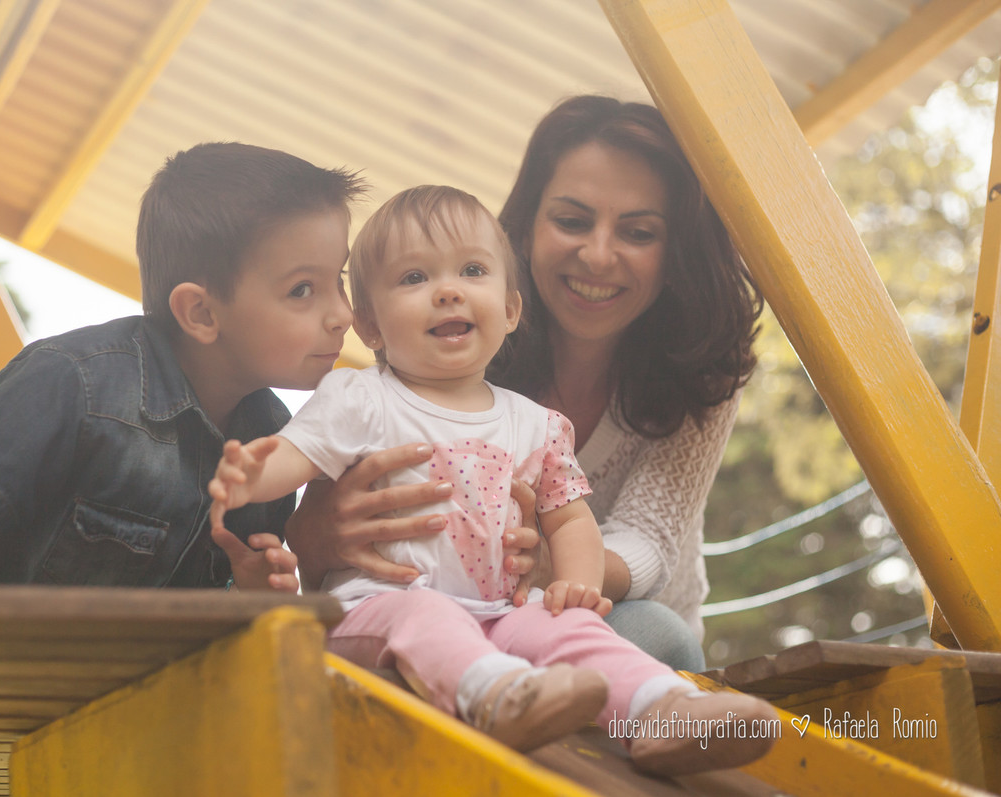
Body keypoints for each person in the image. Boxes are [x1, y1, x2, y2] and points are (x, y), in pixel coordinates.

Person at [209, 185, 775, 773]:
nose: (447, 289)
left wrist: (578, 591)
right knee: (425, 616)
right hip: (374, 611)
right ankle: (496, 695)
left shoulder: (535, 424)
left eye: (472, 271)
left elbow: (570, 516)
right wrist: (251, 475)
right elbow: (297, 453)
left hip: (498, 612)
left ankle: (664, 709)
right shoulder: (363, 398)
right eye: (413, 279)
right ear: (371, 326)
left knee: (571, 633)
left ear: (509, 310)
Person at [286, 97, 762, 672]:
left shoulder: (704, 366)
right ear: (526, 229)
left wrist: (558, 566)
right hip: (435, 613)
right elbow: (315, 535)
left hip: (605, 614)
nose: (598, 254)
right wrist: (316, 534)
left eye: (638, 232)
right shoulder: (451, 342)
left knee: (653, 634)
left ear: (677, 249)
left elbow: (650, 539)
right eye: (571, 221)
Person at [0, 142, 364, 592]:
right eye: (303, 290)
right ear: (202, 313)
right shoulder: (77, 379)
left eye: (338, 281)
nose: (343, 314)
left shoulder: (274, 442)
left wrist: (255, 592)